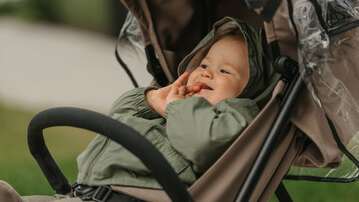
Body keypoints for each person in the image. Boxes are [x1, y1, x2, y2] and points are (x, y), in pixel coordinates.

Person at [0, 17, 279, 202]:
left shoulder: (238, 116)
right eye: (204, 65)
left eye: (224, 71)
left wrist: (177, 109)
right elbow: (117, 116)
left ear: (249, 90)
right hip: (82, 195)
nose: (206, 74)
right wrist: (154, 100)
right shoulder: (173, 106)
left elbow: (206, 144)